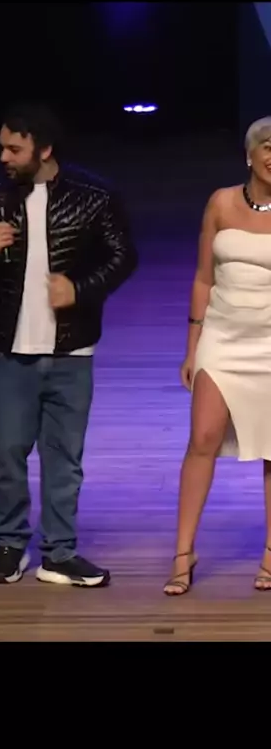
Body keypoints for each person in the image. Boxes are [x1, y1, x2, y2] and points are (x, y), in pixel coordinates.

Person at [0, 103, 138, 587]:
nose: (4, 157)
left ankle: (59, 552)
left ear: (44, 149)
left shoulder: (94, 196)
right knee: (6, 453)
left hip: (70, 350)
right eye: (2, 147)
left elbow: (123, 256)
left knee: (63, 458)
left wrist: (80, 288)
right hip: (6, 351)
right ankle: (10, 545)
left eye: (14, 148)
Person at [164, 116, 271, 596]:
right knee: (203, 437)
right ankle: (183, 552)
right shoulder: (221, 202)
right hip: (222, 338)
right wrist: (193, 346)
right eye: (267, 146)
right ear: (249, 154)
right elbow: (203, 277)